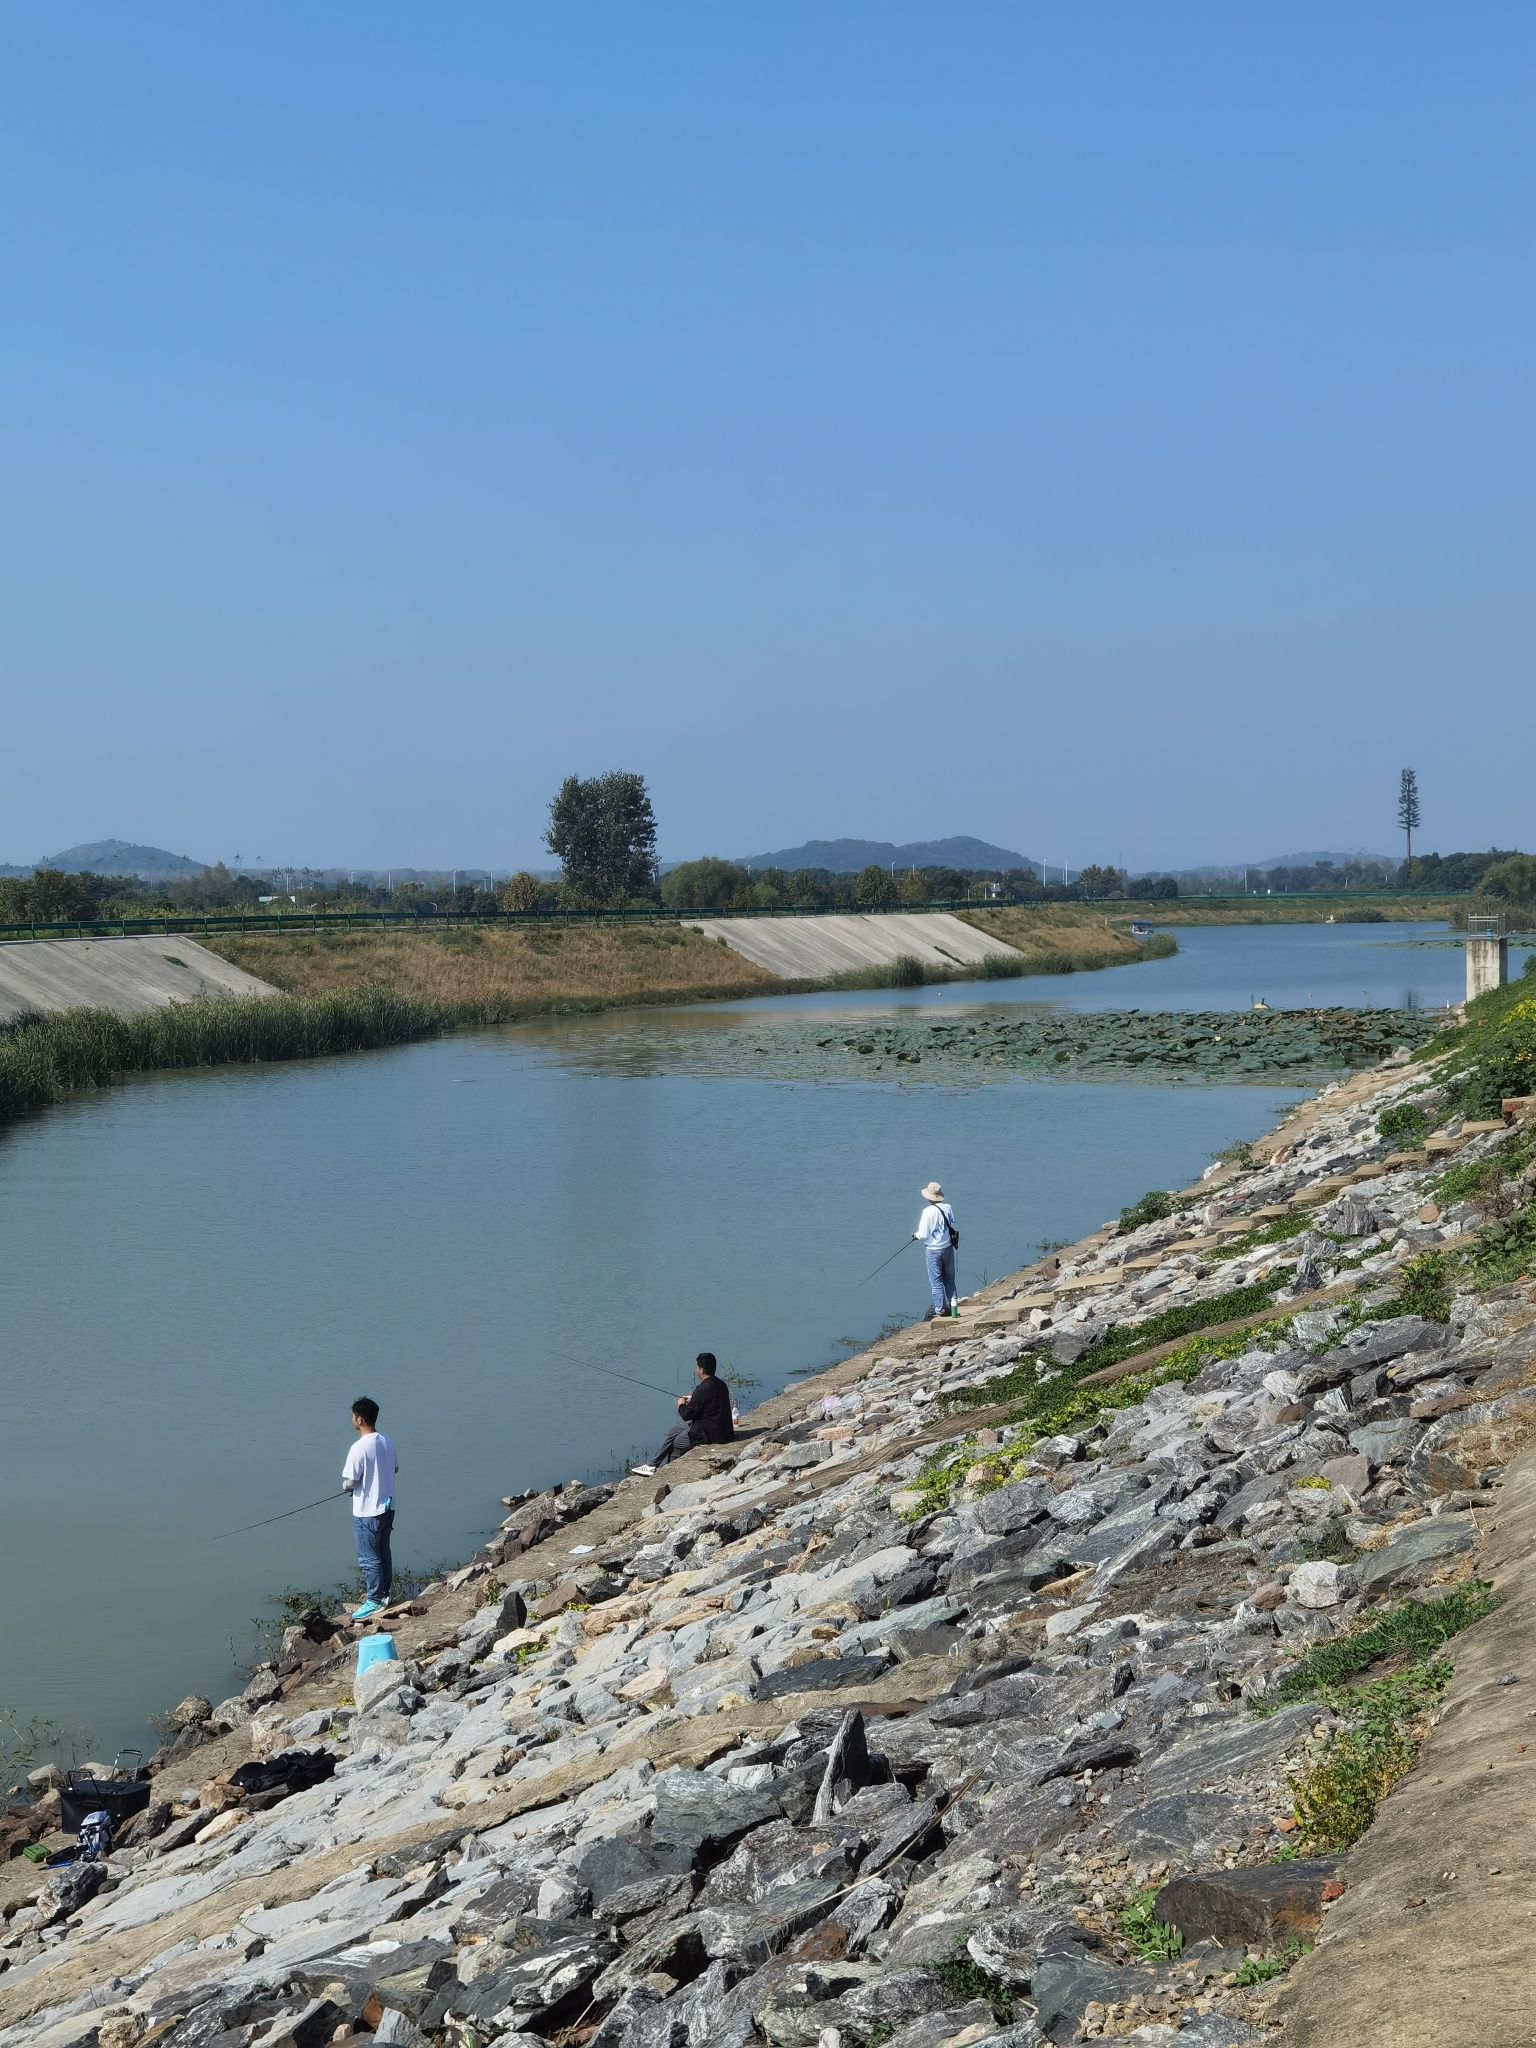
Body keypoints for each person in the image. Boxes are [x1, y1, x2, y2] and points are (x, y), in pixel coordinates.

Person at [630, 1353, 734, 1476]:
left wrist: (681, 1404)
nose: (696, 1370)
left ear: (702, 1370)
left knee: (676, 1442)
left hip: (710, 1434)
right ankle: (652, 1465)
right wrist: (693, 1399)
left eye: (697, 1367)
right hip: (720, 1428)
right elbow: (709, 1402)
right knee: (673, 1430)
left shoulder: (702, 1389)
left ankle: (669, 1473)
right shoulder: (720, 1384)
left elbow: (686, 1415)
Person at [342, 1396, 397, 1621]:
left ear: (360, 1419)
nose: (351, 1419)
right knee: (383, 1552)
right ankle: (383, 1594)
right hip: (388, 1506)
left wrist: (347, 1487)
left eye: (353, 1416)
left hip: (367, 1511)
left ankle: (374, 1600)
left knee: (368, 1557)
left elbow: (349, 1481)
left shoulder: (359, 1447)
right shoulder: (387, 1441)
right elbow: (395, 1468)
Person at [914, 1180, 960, 1319]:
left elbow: (923, 1234)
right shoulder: (948, 1207)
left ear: (928, 1197)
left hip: (933, 1251)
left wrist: (915, 1236)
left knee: (936, 1282)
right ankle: (953, 1307)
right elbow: (951, 1223)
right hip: (947, 1249)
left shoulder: (927, 1212)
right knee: (950, 1280)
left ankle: (940, 1310)